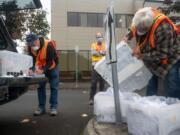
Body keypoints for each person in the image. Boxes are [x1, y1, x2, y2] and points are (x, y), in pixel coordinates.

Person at [125, 7, 180, 99]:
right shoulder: (141, 16)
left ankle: (173, 106)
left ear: (149, 26)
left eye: (142, 30)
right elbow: (133, 28)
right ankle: (149, 103)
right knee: (150, 79)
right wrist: (127, 37)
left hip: (170, 55)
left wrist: (142, 56)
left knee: (172, 81)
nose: (139, 32)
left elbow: (162, 54)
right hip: (151, 53)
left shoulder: (164, 28)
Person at [26, 33, 59, 116]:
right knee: (40, 87)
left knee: (54, 87)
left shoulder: (49, 45)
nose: (32, 46)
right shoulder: (31, 48)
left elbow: (49, 61)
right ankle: (41, 108)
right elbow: (32, 61)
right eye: (30, 44)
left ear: (37, 40)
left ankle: (53, 107)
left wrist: (43, 70)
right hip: (40, 67)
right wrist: (31, 69)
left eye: (33, 44)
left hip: (52, 67)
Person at [89, 32, 106, 105]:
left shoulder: (105, 45)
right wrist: (102, 52)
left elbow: (106, 53)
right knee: (94, 83)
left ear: (102, 37)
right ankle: (91, 99)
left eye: (100, 37)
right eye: (98, 37)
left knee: (102, 83)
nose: (99, 38)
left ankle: (101, 99)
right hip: (95, 66)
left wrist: (99, 52)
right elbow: (93, 53)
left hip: (103, 65)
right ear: (96, 38)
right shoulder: (93, 45)